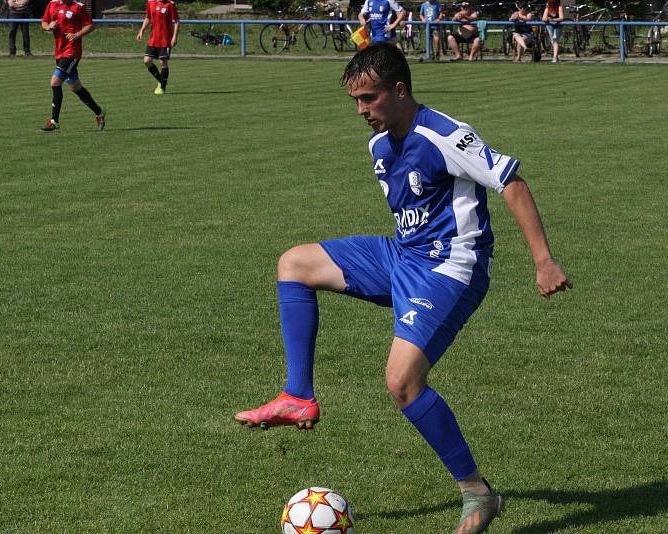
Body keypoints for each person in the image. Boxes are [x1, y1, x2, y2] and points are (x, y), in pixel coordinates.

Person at [235, 43, 571, 534]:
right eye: (355, 101)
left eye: (369, 99)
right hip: (404, 255)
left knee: (402, 382)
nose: (361, 111)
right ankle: (298, 394)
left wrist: (543, 261)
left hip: (451, 266)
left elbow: (512, 183)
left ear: (399, 90)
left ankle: (478, 494)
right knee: (295, 264)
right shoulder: (379, 146)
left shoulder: (446, 136)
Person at [40, 0, 105, 132]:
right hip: (59, 52)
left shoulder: (78, 7)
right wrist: (48, 27)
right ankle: (99, 112)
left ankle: (54, 121)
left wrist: (77, 35)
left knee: (55, 82)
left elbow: (90, 26)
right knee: (76, 87)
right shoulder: (52, 4)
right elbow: (44, 21)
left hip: (72, 52)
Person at [136, 0, 180, 95]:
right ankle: (161, 80)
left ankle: (162, 88)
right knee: (147, 60)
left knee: (163, 62)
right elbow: (148, 18)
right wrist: (141, 31)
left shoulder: (170, 4)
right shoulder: (150, 2)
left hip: (165, 39)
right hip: (153, 39)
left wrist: (175, 36)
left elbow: (176, 21)